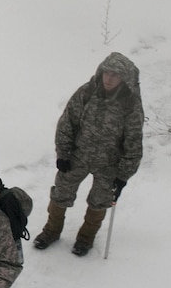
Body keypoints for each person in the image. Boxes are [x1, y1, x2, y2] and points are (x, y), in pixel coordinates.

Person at [33, 52, 144, 256]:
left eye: (115, 75)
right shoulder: (87, 92)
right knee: (61, 193)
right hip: (78, 155)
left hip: (109, 164)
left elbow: (134, 143)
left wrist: (122, 177)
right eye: (107, 73)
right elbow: (67, 122)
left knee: (99, 201)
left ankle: (85, 239)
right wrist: (63, 153)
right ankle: (51, 231)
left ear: (123, 78)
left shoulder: (130, 105)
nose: (109, 78)